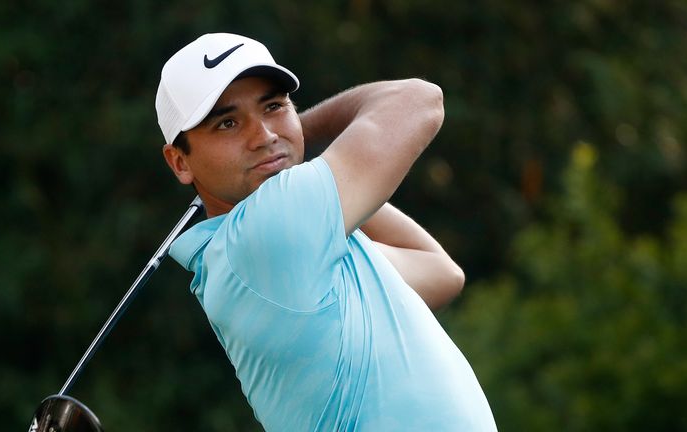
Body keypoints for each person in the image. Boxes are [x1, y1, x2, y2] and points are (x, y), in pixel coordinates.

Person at [155, 32, 497, 431]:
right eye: (227, 123)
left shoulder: (295, 244)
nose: (263, 135)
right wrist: (301, 134)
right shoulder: (266, 234)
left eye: (274, 106)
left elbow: (439, 271)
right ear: (180, 162)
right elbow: (419, 100)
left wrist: (293, 154)